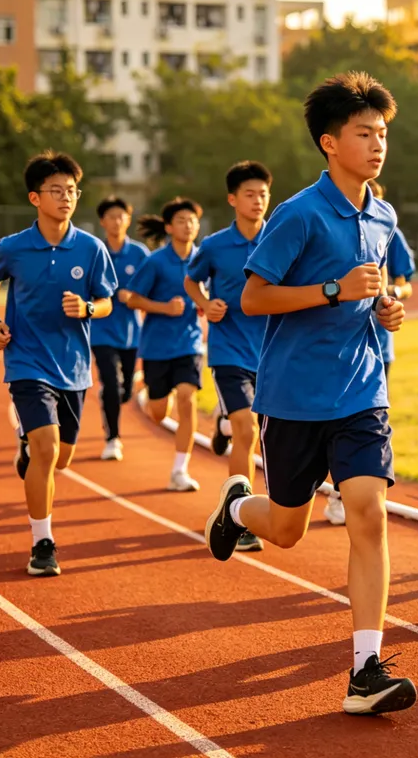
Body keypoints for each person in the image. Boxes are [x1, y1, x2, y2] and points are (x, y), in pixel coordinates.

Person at [203, 71, 417, 715]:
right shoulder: (298, 214)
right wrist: (332, 291)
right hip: (294, 396)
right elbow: (253, 298)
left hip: (362, 391)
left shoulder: (383, 215)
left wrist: (386, 307)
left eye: (383, 133)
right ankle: (239, 508)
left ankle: (365, 671)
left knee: (369, 514)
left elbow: (375, 289)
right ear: (330, 142)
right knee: (287, 529)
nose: (377, 145)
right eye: (364, 133)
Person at [0, 152, 117, 576]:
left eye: (71, 191)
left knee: (62, 459)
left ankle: (28, 449)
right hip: (26, 362)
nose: (66, 197)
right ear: (35, 198)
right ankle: (43, 543)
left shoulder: (91, 248)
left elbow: (107, 302)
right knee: (47, 447)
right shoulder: (13, 247)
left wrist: (88, 308)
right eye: (56, 190)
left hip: (73, 368)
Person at [184, 161, 272, 551]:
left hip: (272, 355)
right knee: (247, 429)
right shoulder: (215, 245)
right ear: (233, 199)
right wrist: (206, 303)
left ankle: (222, 424)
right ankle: (241, 516)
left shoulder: (279, 240)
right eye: (250, 194)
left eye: (263, 194)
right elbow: (191, 280)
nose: (258, 201)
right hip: (229, 351)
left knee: (267, 436)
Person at [324, 178, 416, 528]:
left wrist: (392, 293)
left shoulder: (388, 228)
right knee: (335, 422)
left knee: (367, 425)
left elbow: (405, 282)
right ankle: (336, 491)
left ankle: (345, 495)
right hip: (336, 347)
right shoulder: (329, 229)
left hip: (378, 349)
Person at [128, 198, 205, 491]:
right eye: (181, 221)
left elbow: (210, 291)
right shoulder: (156, 261)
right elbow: (133, 299)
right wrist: (163, 308)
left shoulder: (203, 259)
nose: (188, 225)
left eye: (192, 220)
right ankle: (157, 395)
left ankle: (179, 470)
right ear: (169, 227)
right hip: (157, 347)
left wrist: (205, 303)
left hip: (189, 343)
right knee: (159, 413)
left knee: (187, 397)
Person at [91, 196, 149, 461]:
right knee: (112, 386)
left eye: (121, 216)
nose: (116, 221)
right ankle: (112, 438)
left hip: (131, 333)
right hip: (101, 331)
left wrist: (135, 296)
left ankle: (112, 395)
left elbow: (151, 285)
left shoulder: (139, 253)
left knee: (124, 392)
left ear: (128, 220)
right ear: (103, 222)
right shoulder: (95, 252)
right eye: (111, 217)